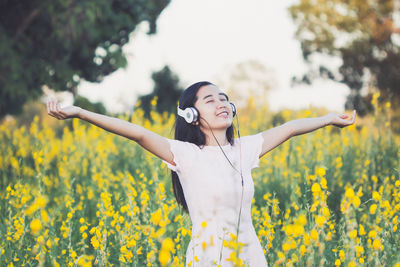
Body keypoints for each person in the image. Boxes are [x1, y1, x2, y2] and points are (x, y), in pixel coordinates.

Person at [47, 81, 356, 266]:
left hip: (250, 256)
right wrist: (80, 113)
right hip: (208, 258)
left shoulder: (244, 149)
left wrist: (328, 119)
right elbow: (137, 133)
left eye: (224, 98)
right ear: (192, 115)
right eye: (210, 100)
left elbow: (290, 129)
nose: (221, 103)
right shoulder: (186, 155)